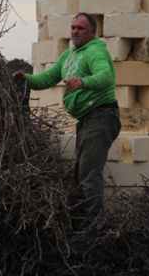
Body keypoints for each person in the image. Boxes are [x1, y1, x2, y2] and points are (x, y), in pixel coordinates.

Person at [12, 13, 121, 220]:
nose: (75, 32)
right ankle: (82, 220)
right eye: (73, 28)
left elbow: (105, 76)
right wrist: (25, 78)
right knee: (81, 172)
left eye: (80, 28)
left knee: (89, 175)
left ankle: (93, 227)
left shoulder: (95, 52)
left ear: (92, 32)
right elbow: (47, 79)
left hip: (102, 115)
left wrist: (83, 81)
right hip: (88, 119)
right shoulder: (69, 55)